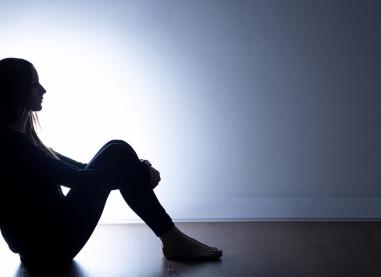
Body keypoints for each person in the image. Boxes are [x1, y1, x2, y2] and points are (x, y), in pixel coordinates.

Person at [0, 57, 222, 273]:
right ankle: (173, 239)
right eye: (34, 84)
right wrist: (138, 173)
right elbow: (79, 179)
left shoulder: (24, 138)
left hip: (47, 244)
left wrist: (135, 169)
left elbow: (80, 168)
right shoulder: (11, 146)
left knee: (116, 149)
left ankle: (172, 239)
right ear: (16, 92)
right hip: (48, 253)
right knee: (117, 151)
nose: (43, 90)